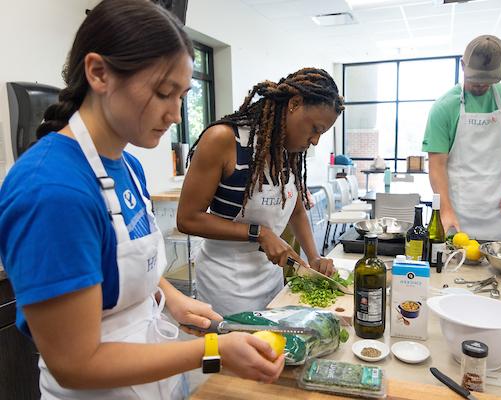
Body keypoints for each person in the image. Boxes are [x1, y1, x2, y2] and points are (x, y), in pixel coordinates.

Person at [0, 1, 283, 398]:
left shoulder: (127, 165)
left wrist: (171, 298)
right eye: (164, 93)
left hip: (157, 381)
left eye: (182, 95)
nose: (175, 113)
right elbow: (75, 364)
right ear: (98, 73)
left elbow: (120, 267)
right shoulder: (52, 191)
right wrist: (212, 351)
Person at [177, 68, 343, 316]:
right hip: (229, 286)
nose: (316, 140)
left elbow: (296, 209)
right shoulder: (223, 140)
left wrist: (314, 258)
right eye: (315, 129)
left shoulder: (288, 150)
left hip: (272, 282)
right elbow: (187, 218)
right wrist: (258, 233)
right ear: (294, 104)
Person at [422, 35, 501, 241]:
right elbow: (436, 165)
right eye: (475, 79)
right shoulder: (444, 107)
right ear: (463, 66)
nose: (481, 85)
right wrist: (445, 209)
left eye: (488, 81)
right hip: (459, 214)